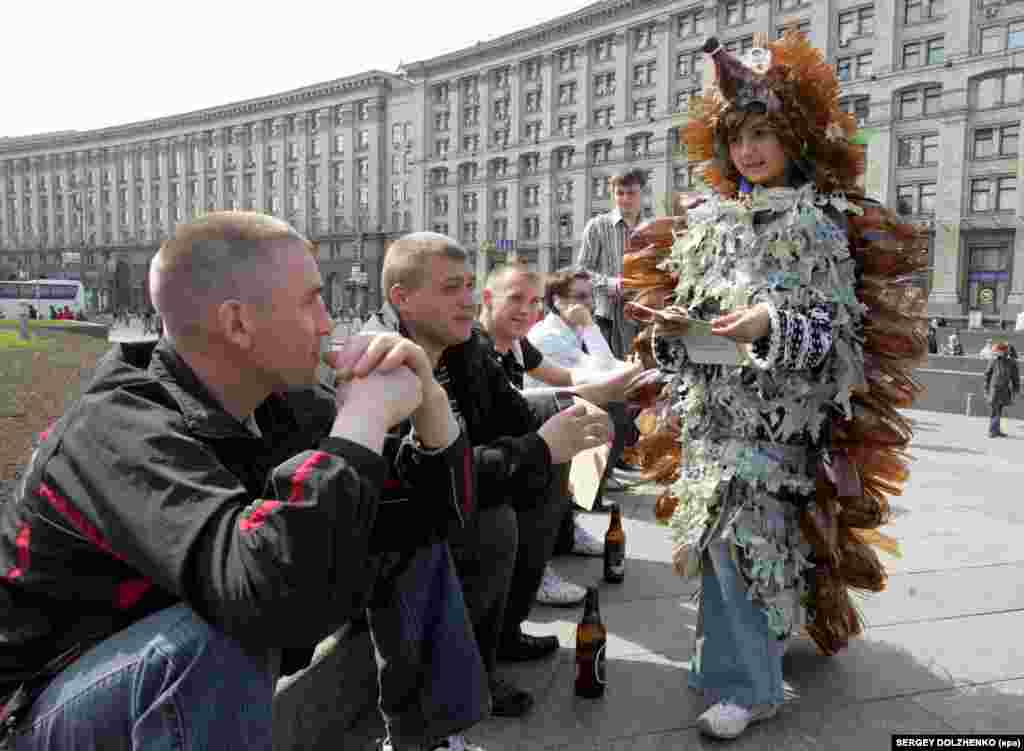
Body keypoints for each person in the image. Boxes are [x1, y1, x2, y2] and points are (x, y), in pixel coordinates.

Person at [0, 212, 490, 751]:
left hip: (153, 678)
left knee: (380, 514)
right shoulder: (115, 429)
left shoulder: (279, 405)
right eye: (311, 300)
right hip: (39, 707)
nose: (329, 323)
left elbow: (437, 513)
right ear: (237, 324)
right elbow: (260, 592)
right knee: (226, 632)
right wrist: (362, 422)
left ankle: (427, 742)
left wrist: (431, 406)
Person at [628, 33, 928, 739]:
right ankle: (721, 665)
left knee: (751, 545)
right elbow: (695, 316)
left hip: (773, 429)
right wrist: (674, 331)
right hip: (710, 422)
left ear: (791, 138)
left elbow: (836, 335)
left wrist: (768, 320)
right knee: (714, 543)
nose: (750, 151)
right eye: (739, 138)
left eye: (763, 135)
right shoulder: (706, 225)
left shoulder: (817, 226)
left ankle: (754, 687)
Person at [362, 232, 613, 719]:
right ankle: (468, 673)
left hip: (454, 484)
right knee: (493, 519)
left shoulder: (463, 347)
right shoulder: (379, 361)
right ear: (402, 298)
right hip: (390, 529)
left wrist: (571, 420)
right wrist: (537, 446)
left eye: (469, 286)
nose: (467, 301)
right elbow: (415, 488)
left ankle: (505, 632)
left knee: (545, 468)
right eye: (451, 289)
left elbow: (514, 414)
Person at [476, 263, 644, 606]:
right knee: (572, 425)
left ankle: (562, 534)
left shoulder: (520, 343)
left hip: (520, 436)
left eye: (533, 301)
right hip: (491, 455)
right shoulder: (483, 345)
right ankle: (536, 567)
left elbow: (571, 378)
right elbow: (528, 402)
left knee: (587, 419)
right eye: (516, 298)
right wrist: (619, 380)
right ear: (489, 299)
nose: (527, 309)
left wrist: (621, 379)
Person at [577, 168, 647, 360]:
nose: (625, 198)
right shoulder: (597, 226)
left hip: (641, 319)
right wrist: (611, 284)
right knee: (606, 378)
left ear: (642, 192)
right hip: (604, 319)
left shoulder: (650, 229)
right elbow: (581, 272)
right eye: (620, 193)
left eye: (631, 193)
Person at [984, 341, 1018, 437]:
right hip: (994, 389)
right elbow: (987, 375)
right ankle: (992, 431)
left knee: (999, 410)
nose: (997, 353)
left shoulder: (1011, 362)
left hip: (1004, 389)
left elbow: (1015, 378)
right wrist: (986, 389)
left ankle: (996, 430)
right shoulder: (993, 361)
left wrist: (1016, 390)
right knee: (995, 410)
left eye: (1000, 351)